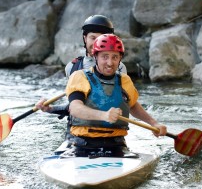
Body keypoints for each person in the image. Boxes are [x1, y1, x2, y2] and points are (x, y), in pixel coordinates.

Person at [38, 34, 167, 157]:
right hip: (81, 144)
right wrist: (104, 115)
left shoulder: (125, 80)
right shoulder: (80, 77)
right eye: (105, 56)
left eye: (115, 57)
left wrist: (153, 123)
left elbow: (133, 106)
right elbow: (75, 108)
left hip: (116, 144)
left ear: (120, 59)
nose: (110, 63)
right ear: (96, 57)